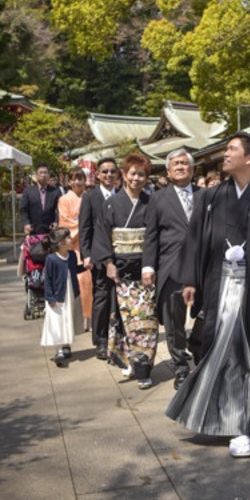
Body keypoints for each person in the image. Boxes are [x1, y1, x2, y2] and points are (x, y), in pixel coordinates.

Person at [165, 132, 250, 459]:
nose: (225, 154)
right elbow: (195, 239)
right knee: (226, 349)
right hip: (218, 285)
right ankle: (236, 422)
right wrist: (190, 279)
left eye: (232, 149)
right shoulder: (211, 197)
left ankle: (244, 410)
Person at [91, 153, 157, 389]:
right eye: (133, 174)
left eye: (142, 175)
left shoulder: (151, 202)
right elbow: (102, 234)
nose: (137, 178)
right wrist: (108, 264)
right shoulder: (111, 204)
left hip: (145, 270)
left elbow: (153, 237)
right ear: (124, 175)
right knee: (122, 319)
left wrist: (149, 266)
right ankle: (129, 360)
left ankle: (144, 368)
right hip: (120, 271)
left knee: (145, 321)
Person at [142, 148, 201, 390]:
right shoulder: (158, 198)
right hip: (172, 265)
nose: (180, 167)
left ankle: (197, 347)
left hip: (202, 266)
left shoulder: (206, 195)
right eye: (175, 164)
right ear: (168, 171)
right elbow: (151, 235)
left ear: (192, 169)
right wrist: (148, 266)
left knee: (206, 315)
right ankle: (180, 367)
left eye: (184, 163)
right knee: (173, 320)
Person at [79, 157, 120, 357]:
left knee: (119, 297)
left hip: (121, 254)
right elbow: (84, 227)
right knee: (101, 297)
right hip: (98, 255)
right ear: (97, 175)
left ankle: (119, 337)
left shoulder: (123, 194)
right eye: (105, 171)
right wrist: (86, 254)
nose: (109, 175)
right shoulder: (90, 197)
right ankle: (101, 340)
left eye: (112, 171)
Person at [40, 227, 87, 366]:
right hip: (57, 297)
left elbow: (74, 269)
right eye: (68, 238)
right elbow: (48, 280)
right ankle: (59, 349)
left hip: (71, 294)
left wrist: (86, 266)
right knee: (57, 322)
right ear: (60, 243)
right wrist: (50, 297)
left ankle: (66, 346)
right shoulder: (51, 259)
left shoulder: (71, 255)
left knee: (68, 319)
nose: (71, 239)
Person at [57, 167, 95, 333]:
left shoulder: (89, 197)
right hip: (73, 247)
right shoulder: (64, 200)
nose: (78, 182)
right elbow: (65, 223)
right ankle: (77, 319)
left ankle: (90, 319)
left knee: (89, 284)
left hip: (89, 246)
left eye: (80, 178)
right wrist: (85, 226)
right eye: (74, 179)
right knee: (76, 284)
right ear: (69, 182)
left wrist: (86, 226)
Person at [19, 163, 61, 237]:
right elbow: (23, 209)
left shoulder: (55, 191)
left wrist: (56, 222)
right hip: (33, 230)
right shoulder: (28, 191)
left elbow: (60, 209)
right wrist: (26, 223)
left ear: (48, 175)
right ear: (36, 175)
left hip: (50, 231)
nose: (43, 175)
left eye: (45, 172)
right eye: (41, 172)